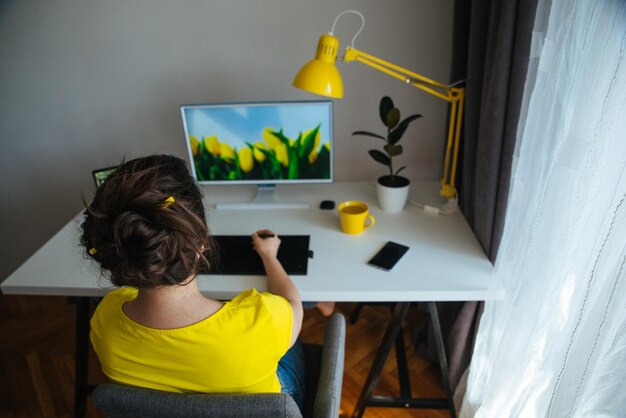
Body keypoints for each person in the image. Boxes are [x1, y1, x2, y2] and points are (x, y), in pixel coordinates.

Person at [81, 155, 306, 409]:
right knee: (292, 342)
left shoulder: (105, 317)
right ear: (201, 243)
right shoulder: (260, 320)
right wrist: (268, 255)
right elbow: (292, 301)